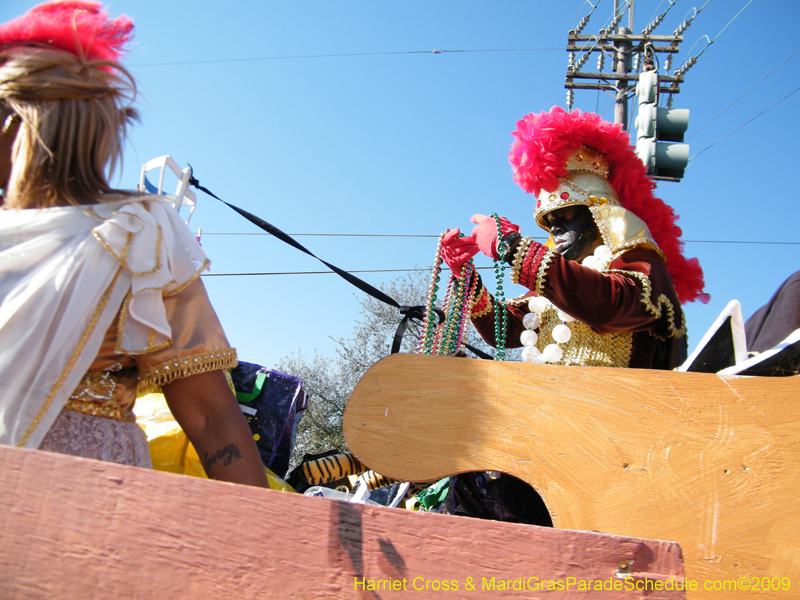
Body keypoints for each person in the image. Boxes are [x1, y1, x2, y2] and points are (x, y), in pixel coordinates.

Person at [0, 1, 268, 488]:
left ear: (18, 122)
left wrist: (259, 548)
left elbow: (211, 418)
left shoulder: (139, 235)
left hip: (90, 495)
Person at [442, 106, 709, 370]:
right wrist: (465, 277)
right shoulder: (555, 283)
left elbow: (609, 306)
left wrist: (510, 246)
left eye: (565, 216)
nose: (554, 229)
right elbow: (506, 329)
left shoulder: (638, 261)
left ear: (599, 215)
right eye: (549, 222)